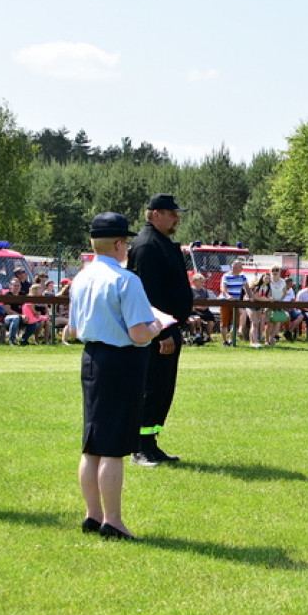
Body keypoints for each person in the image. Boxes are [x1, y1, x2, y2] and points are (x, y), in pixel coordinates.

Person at [65, 212, 162, 540]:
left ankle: (93, 515)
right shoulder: (126, 280)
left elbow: (73, 330)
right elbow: (138, 334)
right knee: (113, 447)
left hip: (92, 357)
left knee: (92, 442)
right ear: (119, 243)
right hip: (122, 361)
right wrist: (157, 326)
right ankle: (114, 521)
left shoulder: (80, 278)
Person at [127, 193, 193, 466]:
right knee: (150, 387)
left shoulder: (161, 242)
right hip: (155, 331)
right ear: (155, 214)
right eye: (172, 213)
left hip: (168, 327)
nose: (177, 217)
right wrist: (162, 332)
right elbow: (147, 295)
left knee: (163, 389)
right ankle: (139, 448)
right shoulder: (147, 246)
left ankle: (151, 443)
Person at [219, 260, 248, 346]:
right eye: (240, 266)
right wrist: (228, 296)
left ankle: (232, 340)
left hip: (236, 303)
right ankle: (224, 341)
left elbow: (247, 288)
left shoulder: (243, 276)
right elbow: (223, 288)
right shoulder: (226, 276)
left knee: (235, 322)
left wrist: (250, 296)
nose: (242, 268)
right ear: (235, 267)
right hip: (225, 302)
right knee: (224, 322)